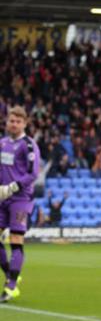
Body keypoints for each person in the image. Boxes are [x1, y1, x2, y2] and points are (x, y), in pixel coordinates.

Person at [0, 106, 41, 302]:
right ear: (6, 122)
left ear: (24, 123)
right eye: (11, 121)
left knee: (15, 240)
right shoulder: (2, 143)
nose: (13, 124)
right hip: (2, 197)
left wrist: (13, 187)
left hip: (20, 198)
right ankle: (11, 273)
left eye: (18, 121)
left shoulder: (29, 145)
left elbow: (33, 173)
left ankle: (11, 287)